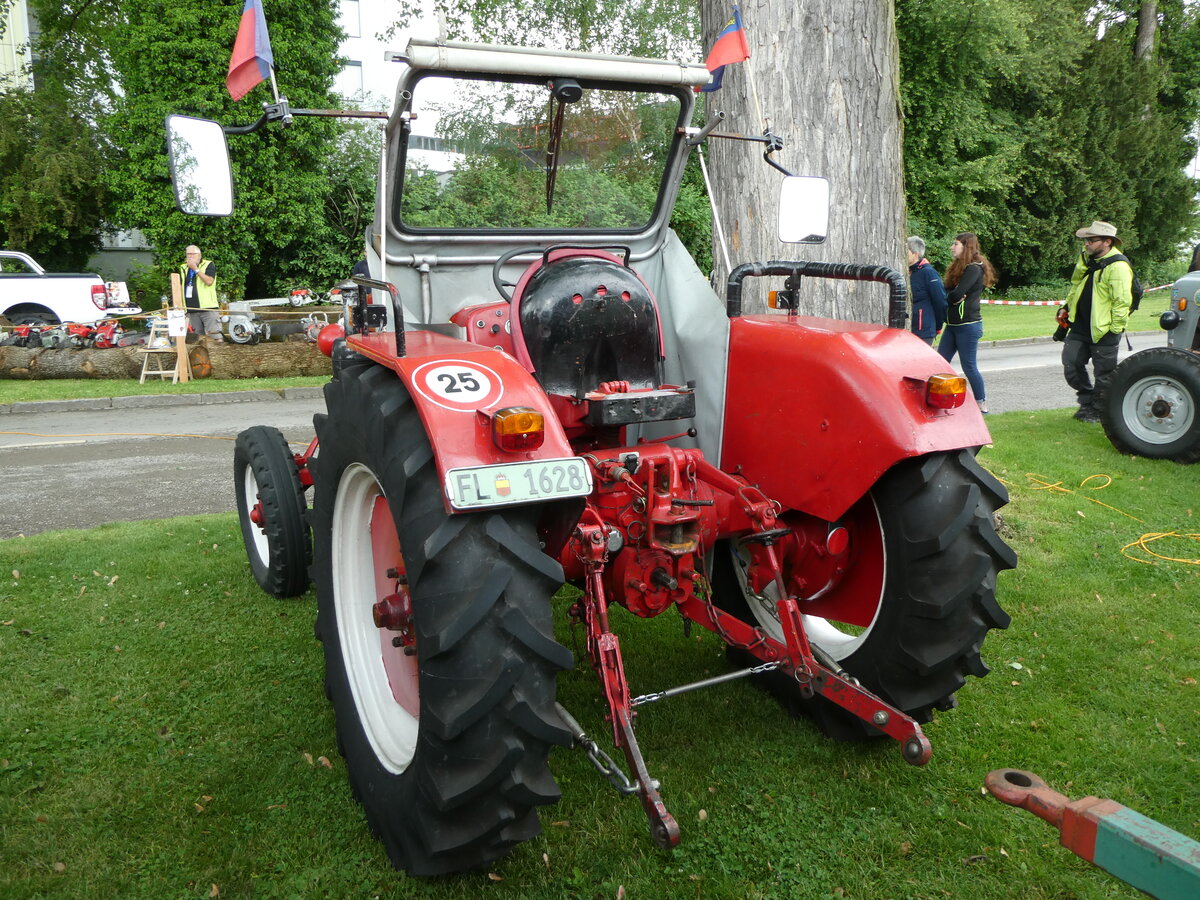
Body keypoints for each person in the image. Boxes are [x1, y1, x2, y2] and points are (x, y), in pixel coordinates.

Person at [1060, 221, 1133, 423]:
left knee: (1104, 375)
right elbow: (1076, 285)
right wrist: (1066, 307)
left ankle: (1097, 410)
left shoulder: (1118, 266)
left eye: (1091, 240)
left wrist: (1114, 330)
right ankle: (1087, 400)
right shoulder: (1086, 260)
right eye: (1086, 240)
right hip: (1079, 325)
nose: (1087, 244)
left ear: (1107, 242)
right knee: (1071, 365)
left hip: (1104, 330)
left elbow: (1122, 301)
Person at [937, 232, 995, 413]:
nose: (951, 247)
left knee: (968, 365)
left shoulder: (974, 268)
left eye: (955, 244)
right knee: (940, 363)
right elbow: (947, 293)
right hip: (952, 325)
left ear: (965, 246)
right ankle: (939, 398)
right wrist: (954, 296)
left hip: (968, 325)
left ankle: (981, 403)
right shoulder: (958, 267)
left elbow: (954, 294)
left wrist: (954, 295)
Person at [906, 236, 947, 345]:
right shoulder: (907, 272)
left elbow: (940, 301)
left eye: (907, 251)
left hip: (923, 330)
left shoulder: (928, 273)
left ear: (916, 254)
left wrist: (937, 326)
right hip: (908, 329)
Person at [178, 245, 222, 341]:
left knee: (215, 336)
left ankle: (218, 355)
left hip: (208, 308)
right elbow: (180, 287)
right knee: (196, 339)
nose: (190, 256)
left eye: (193, 254)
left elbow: (209, 281)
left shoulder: (208, 264)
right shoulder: (183, 268)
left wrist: (195, 269)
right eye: (188, 254)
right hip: (191, 309)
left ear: (199, 255)